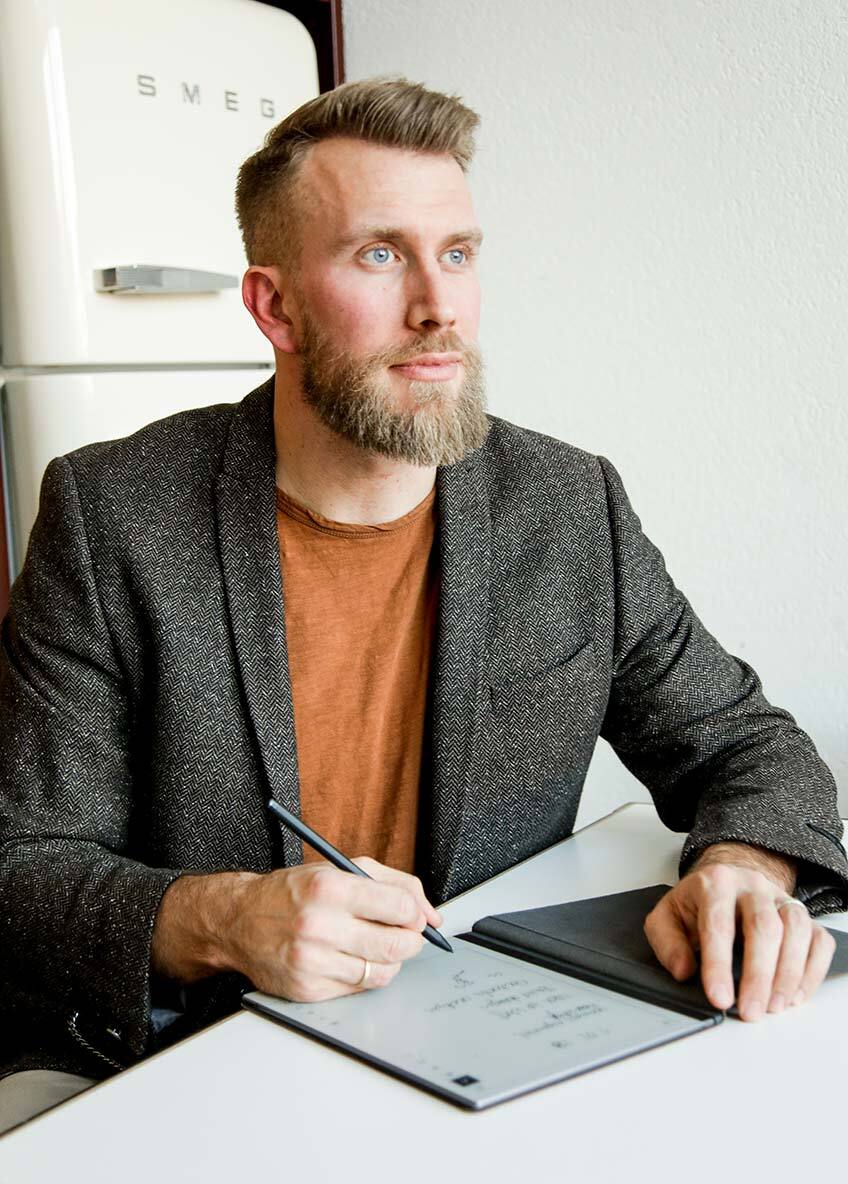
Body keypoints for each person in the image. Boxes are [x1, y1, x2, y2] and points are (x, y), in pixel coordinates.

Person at [1, 76, 846, 1133]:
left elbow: (747, 747)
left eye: (456, 253)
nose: (438, 305)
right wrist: (224, 917)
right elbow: (23, 866)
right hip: (185, 1065)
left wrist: (743, 869)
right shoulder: (111, 512)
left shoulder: (567, 506)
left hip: (479, 1066)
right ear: (274, 307)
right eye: (378, 254)